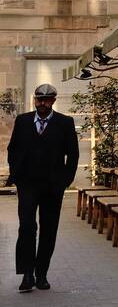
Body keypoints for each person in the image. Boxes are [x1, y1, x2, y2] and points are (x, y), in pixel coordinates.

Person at [7, 83, 79, 292]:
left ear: (54, 101)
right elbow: (13, 149)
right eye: (39, 99)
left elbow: (73, 155)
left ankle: (42, 274)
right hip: (28, 184)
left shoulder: (65, 123)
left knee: (49, 229)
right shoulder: (23, 121)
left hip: (52, 186)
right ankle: (27, 274)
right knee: (27, 227)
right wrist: (16, 174)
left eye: (47, 100)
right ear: (35, 100)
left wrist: (65, 181)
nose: (42, 103)